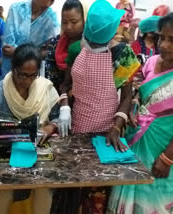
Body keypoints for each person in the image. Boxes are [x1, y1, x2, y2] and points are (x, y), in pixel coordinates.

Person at [59, 1, 140, 213]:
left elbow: (127, 95)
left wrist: (116, 126)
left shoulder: (123, 53)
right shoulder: (77, 49)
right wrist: (64, 107)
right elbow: (65, 85)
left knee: (99, 191)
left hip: (107, 133)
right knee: (74, 188)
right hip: (77, 127)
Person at [0, 44, 60, 214]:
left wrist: (51, 126)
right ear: (13, 69)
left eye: (32, 76)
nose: (27, 81)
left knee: (44, 187)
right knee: (3, 187)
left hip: (37, 147)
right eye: (23, 75)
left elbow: (57, 116)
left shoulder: (44, 88)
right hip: (6, 153)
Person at [107, 13, 173, 214]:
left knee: (156, 200)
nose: (165, 45)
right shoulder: (151, 62)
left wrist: (167, 158)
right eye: (162, 38)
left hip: (162, 148)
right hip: (136, 139)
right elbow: (138, 93)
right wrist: (134, 108)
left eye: (172, 40)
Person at [0, 0, 60, 81]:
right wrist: (35, 53)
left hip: (32, 75)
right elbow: (7, 49)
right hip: (10, 70)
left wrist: (17, 51)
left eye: (52, 0)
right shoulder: (16, 9)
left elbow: (50, 52)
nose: (49, 3)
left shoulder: (51, 18)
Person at [45, 0, 89, 93]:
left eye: (74, 22)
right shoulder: (55, 44)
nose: (68, 27)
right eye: (65, 22)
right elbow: (49, 77)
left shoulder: (91, 46)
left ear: (84, 20)